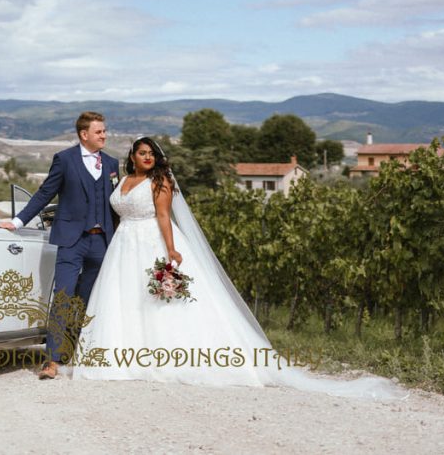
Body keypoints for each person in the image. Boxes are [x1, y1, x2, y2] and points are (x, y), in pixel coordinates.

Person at [71, 137, 405, 399]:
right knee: (122, 299)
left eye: (152, 154)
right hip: (123, 246)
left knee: (161, 304)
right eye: (142, 153)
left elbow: (163, 216)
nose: (147, 157)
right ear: (132, 156)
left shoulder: (160, 182)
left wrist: (171, 249)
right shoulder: (125, 179)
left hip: (151, 242)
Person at [0, 111, 120, 379]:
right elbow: (45, 192)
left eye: (104, 130)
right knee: (63, 297)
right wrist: (18, 221)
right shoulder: (64, 160)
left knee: (88, 300)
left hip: (101, 243)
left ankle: (76, 352)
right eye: (99, 131)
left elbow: (115, 203)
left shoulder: (112, 163)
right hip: (71, 240)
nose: (104, 135)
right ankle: (51, 361)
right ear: (84, 134)